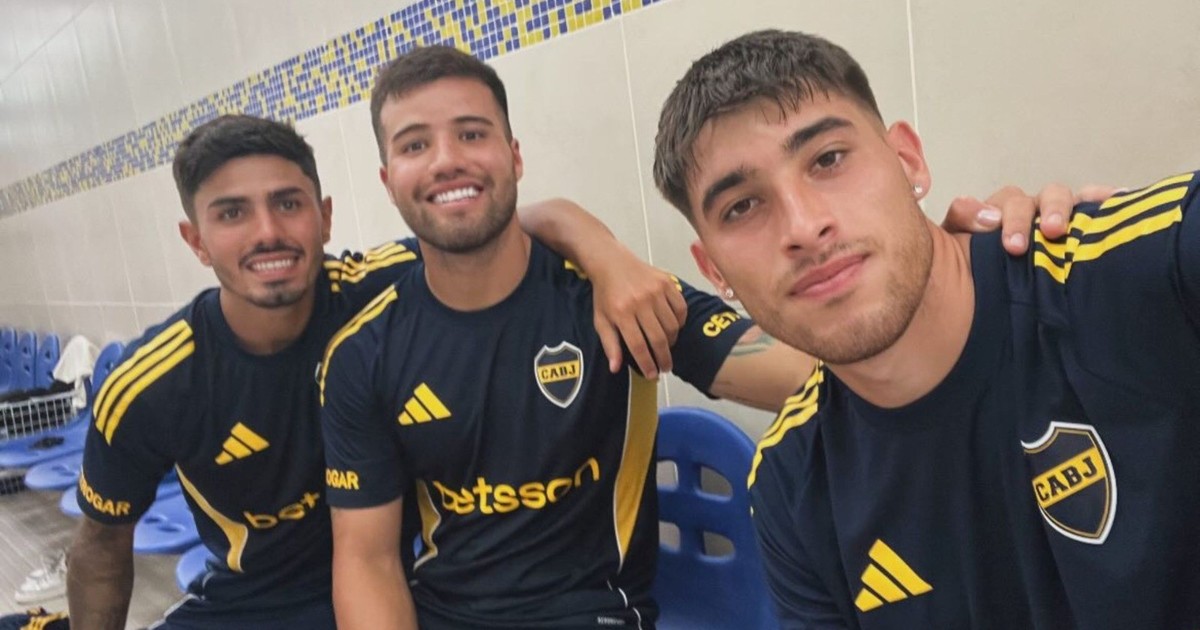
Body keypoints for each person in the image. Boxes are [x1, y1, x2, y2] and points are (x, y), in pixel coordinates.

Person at [316, 45, 1079, 630]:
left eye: (471, 133)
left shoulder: (620, 301)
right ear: (386, 179)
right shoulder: (362, 354)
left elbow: (832, 366)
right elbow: (368, 557)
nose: (447, 159)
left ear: (514, 155)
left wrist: (939, 275)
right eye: (414, 145)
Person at [653, 29, 1200, 630]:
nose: (804, 227)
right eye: (741, 207)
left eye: (828, 159)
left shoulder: (1139, 270)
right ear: (714, 270)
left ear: (908, 162)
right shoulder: (792, 478)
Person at [65, 113, 695, 630]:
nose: (268, 232)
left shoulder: (384, 290)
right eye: (232, 214)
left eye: (288, 203)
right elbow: (100, 550)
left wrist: (605, 254)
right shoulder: (149, 386)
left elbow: (502, 228)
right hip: (252, 607)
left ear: (325, 216)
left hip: (400, 593)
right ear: (196, 239)